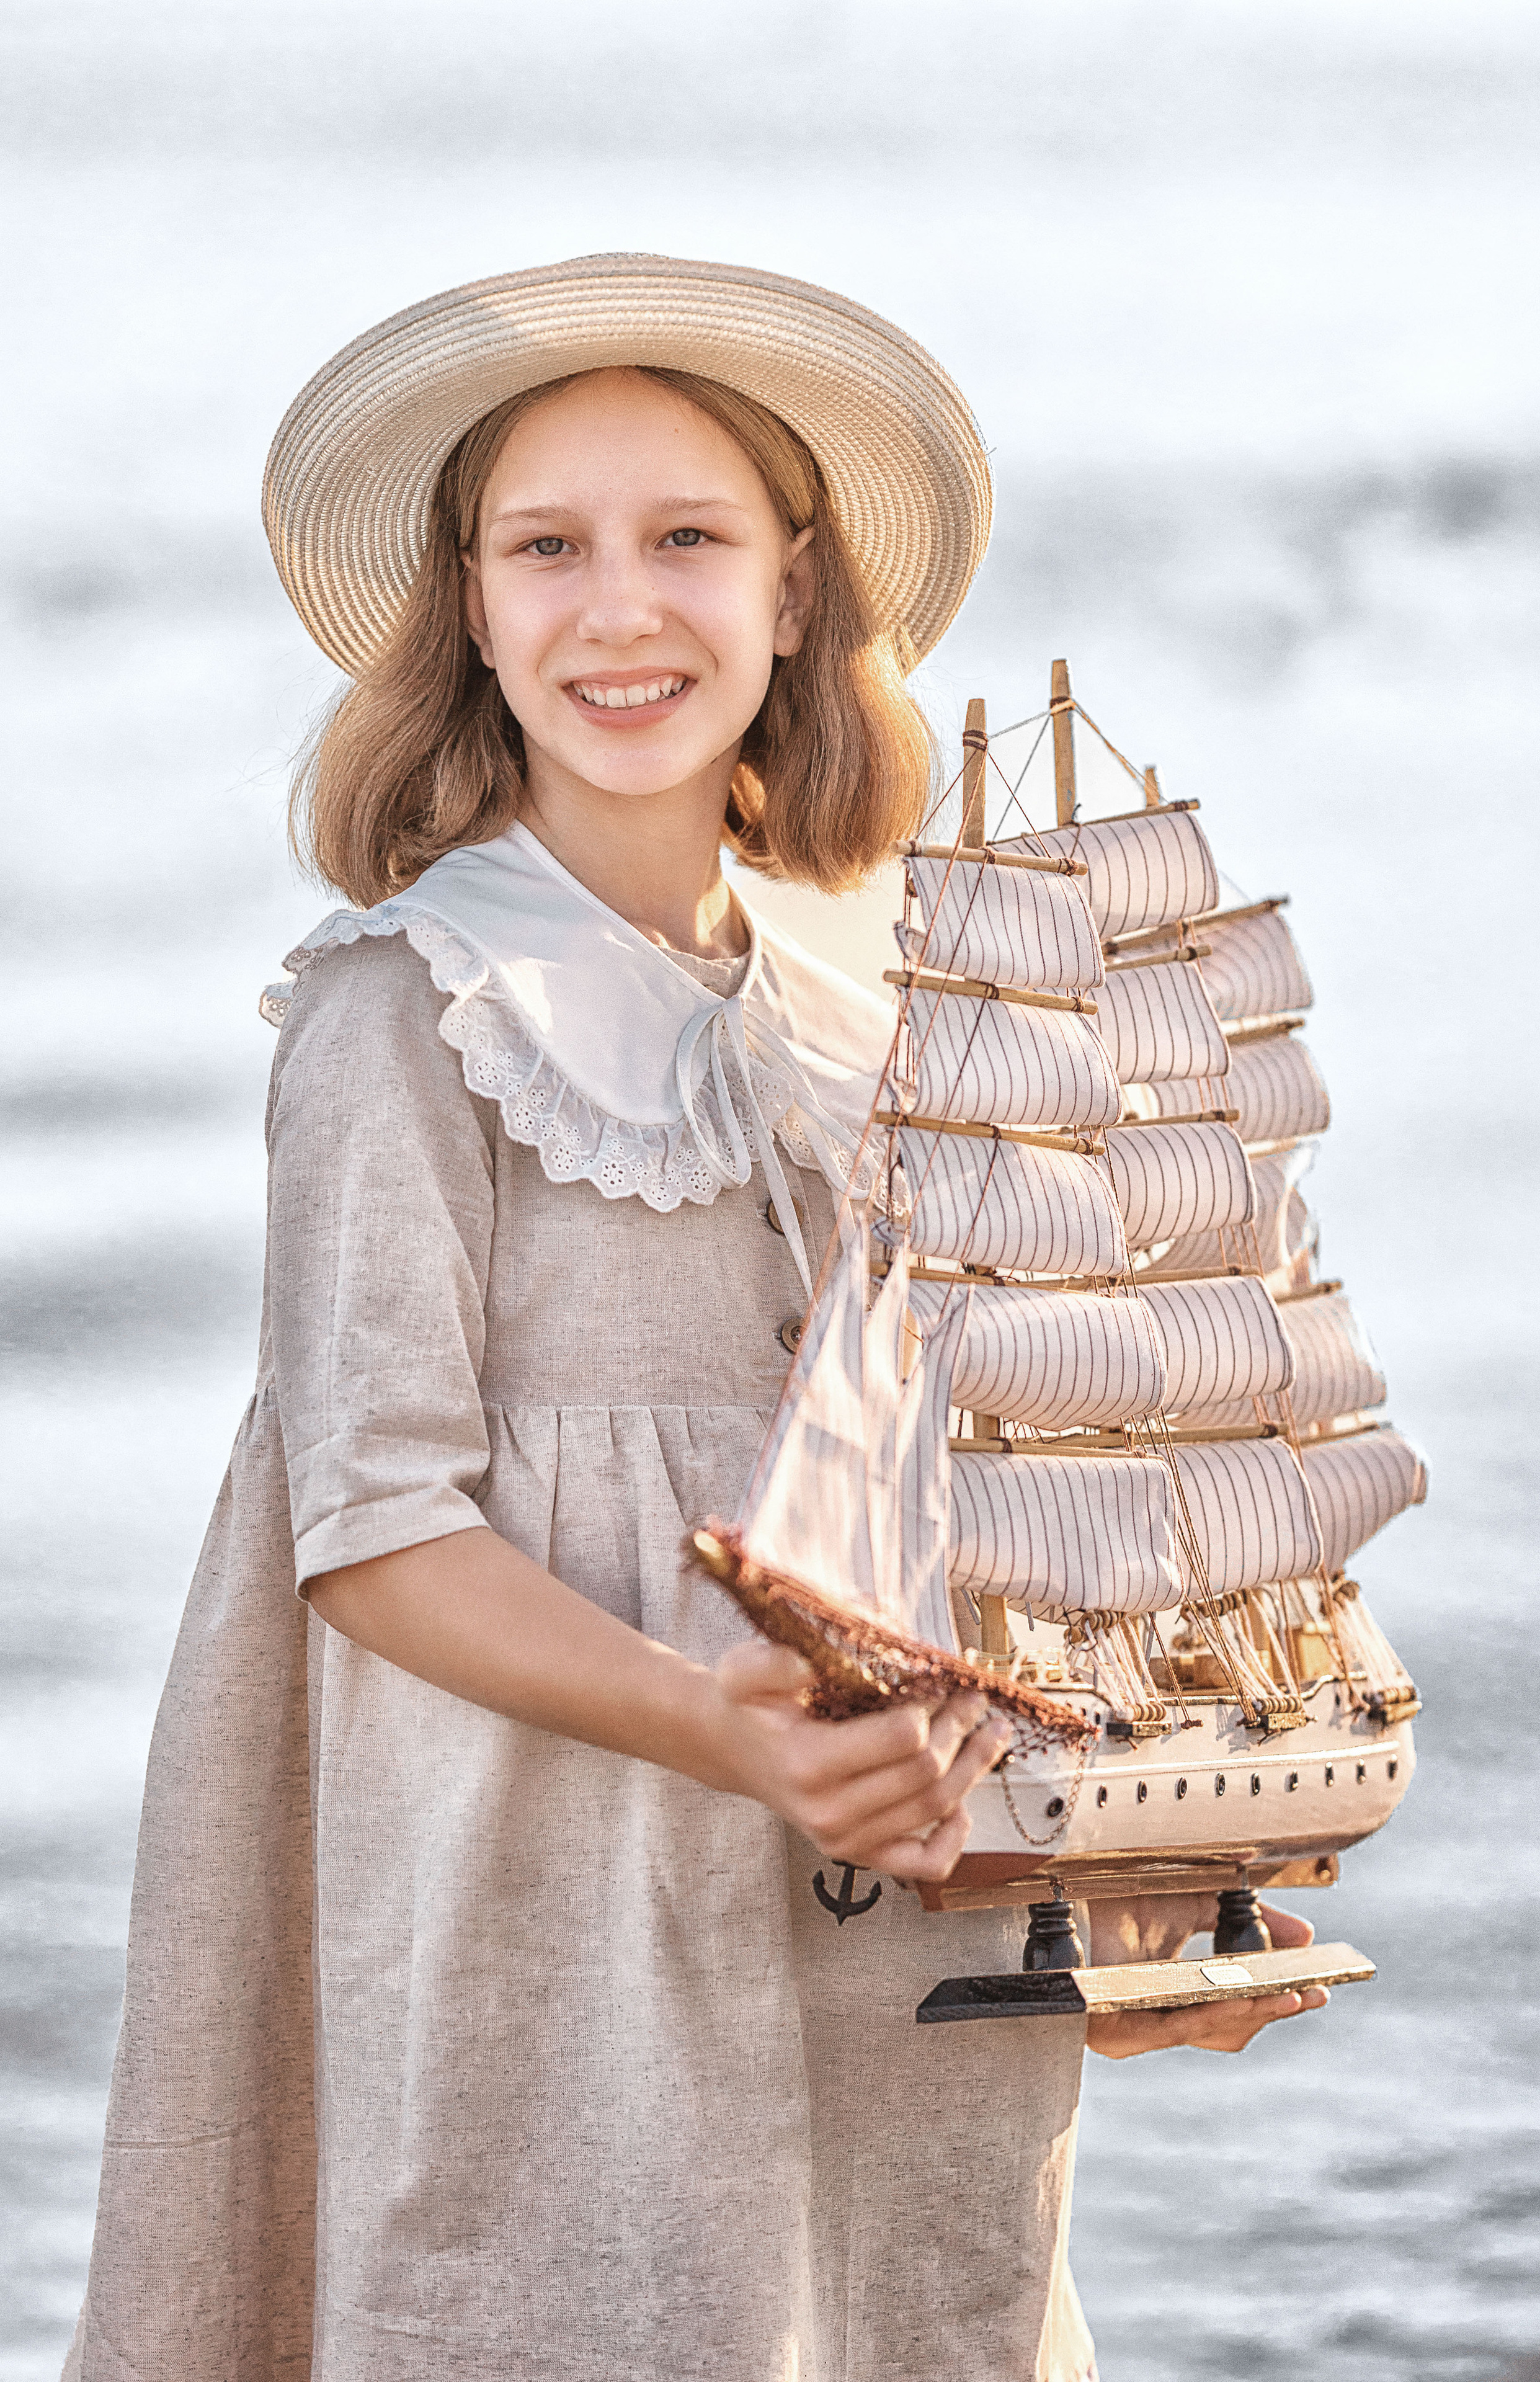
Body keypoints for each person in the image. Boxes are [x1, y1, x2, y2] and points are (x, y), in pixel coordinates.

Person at [63, 255, 1323, 2382]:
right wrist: (714, 1722)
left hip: (878, 1895)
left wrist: (1133, 1869)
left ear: (798, 588)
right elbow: (369, 1529)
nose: (619, 609)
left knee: (910, 2308)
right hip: (548, 1892)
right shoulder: (408, 1013)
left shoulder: (879, 1011)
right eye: (546, 547)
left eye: (689, 539)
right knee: (580, 2302)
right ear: (469, 606)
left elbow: (983, 1488)